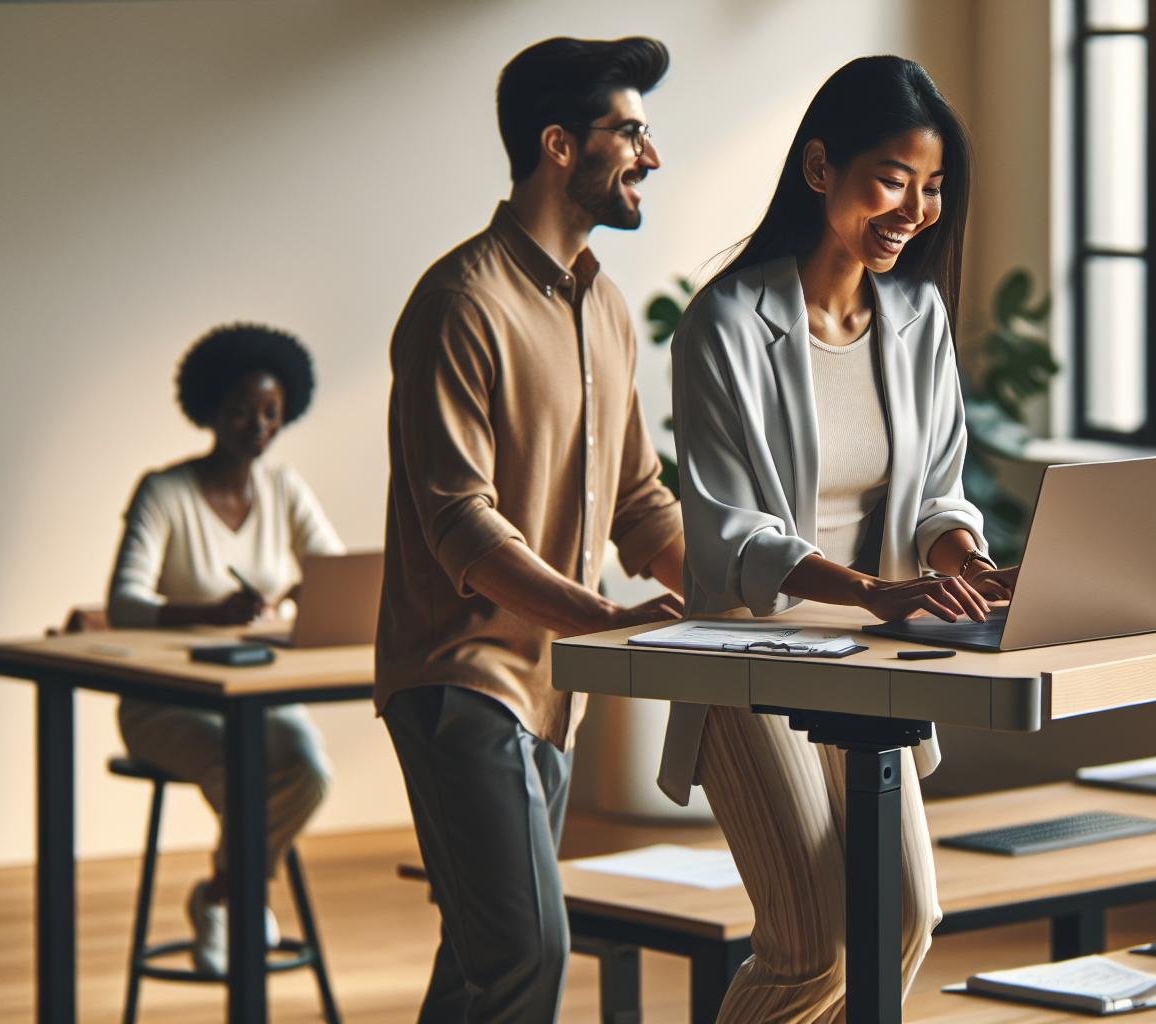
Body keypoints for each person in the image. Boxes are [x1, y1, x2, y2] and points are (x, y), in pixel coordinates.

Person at [664, 56, 1019, 1022]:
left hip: (875, 660)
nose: (915, 207)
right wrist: (870, 590)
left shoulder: (918, 316)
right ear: (820, 169)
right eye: (892, 179)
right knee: (809, 944)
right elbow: (734, 534)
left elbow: (937, 498)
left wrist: (969, 565)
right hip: (748, 659)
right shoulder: (725, 325)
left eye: (933, 185)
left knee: (904, 922)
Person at [376, 36, 685, 1023]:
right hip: (462, 681)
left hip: (553, 688)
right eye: (631, 131)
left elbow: (640, 503)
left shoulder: (607, 309)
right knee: (525, 959)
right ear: (560, 145)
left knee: (479, 968)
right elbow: (461, 525)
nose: (652, 153)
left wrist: (767, 588)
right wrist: (603, 620)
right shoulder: (460, 303)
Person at [106, 322, 342, 976]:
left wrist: (300, 593)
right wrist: (208, 613)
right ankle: (239, 905)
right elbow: (125, 601)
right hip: (164, 702)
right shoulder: (164, 492)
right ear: (210, 410)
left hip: (255, 693)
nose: (258, 426)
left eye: (270, 413)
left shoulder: (285, 490)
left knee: (310, 772)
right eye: (241, 411)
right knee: (243, 771)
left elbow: (335, 571)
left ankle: (223, 893)